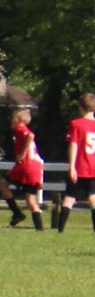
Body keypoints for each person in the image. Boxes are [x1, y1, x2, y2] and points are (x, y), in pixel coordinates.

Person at [0, 106, 44, 230]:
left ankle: (17, 213)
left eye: (12, 118)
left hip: (26, 166)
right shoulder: (21, 130)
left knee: (3, 184)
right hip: (35, 166)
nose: (11, 121)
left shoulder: (20, 128)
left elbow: (30, 136)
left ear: (19, 120)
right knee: (30, 198)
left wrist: (22, 153)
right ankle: (39, 228)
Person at [55, 94, 95, 233]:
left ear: (80, 107)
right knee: (92, 196)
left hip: (80, 166)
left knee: (70, 196)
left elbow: (74, 145)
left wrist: (72, 166)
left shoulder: (76, 123)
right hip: (93, 166)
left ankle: (60, 229)